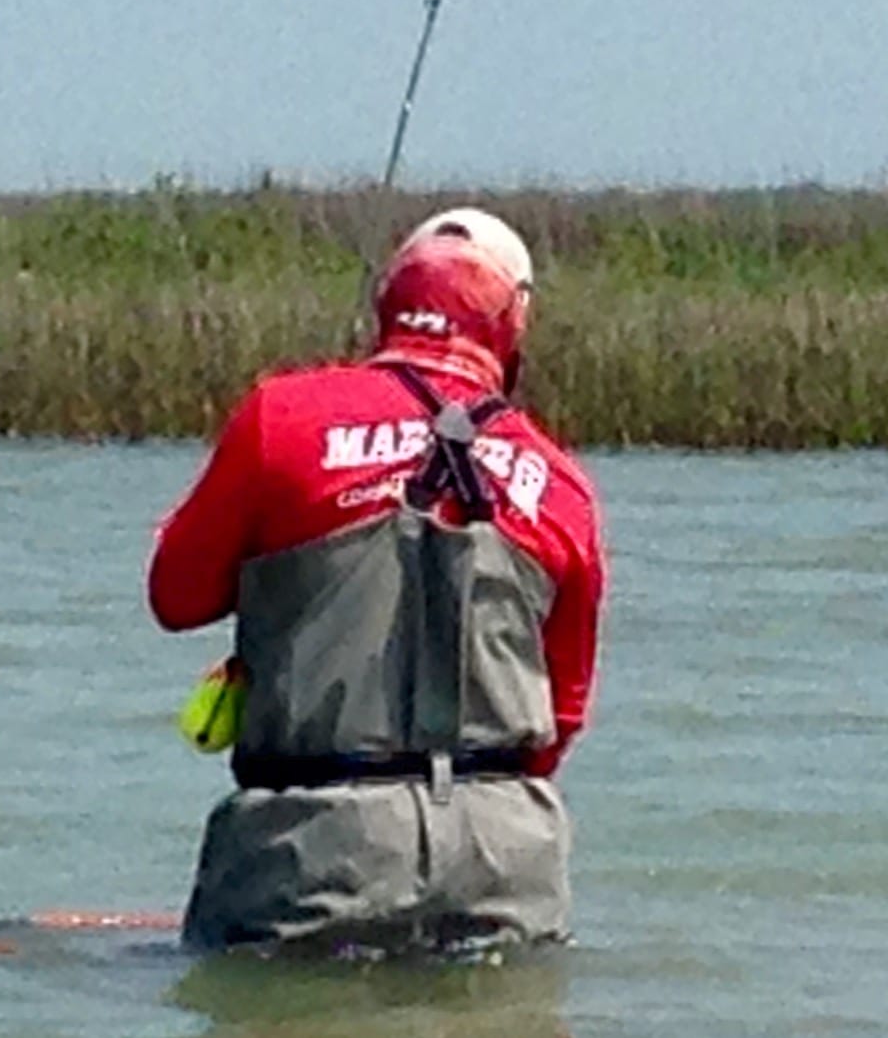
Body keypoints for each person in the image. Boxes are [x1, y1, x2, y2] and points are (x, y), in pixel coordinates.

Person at [147, 207, 605, 953]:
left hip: (311, 847)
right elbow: (564, 715)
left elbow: (176, 595)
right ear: (513, 327)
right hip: (504, 858)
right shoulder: (562, 485)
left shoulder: (281, 416)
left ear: (387, 306)